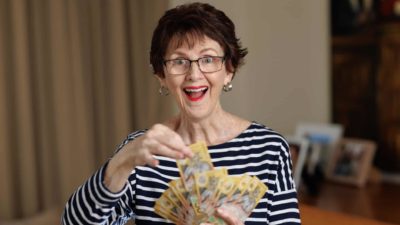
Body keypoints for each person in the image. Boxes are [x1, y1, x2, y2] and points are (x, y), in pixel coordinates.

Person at [62, 2, 301, 225]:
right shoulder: (142, 150)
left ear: (229, 70)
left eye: (208, 59)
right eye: (179, 61)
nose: (194, 75)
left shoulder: (269, 149)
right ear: (161, 76)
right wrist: (120, 164)